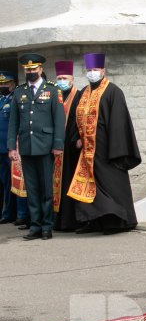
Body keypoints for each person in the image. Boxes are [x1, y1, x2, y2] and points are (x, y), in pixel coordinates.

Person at [69, 53, 142, 235]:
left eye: (95, 69)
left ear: (103, 70)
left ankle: (117, 222)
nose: (92, 73)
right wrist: (76, 138)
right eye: (89, 70)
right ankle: (93, 221)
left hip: (107, 148)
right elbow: (74, 120)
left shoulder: (113, 91)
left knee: (111, 186)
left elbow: (119, 122)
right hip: (86, 151)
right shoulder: (83, 93)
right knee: (88, 186)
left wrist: (116, 149)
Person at [7, 53, 65, 241]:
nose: (30, 72)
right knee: (31, 189)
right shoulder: (19, 92)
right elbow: (13, 122)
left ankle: (47, 226)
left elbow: (58, 119)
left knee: (46, 190)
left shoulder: (53, 90)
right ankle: (35, 226)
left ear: (40, 70)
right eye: (27, 69)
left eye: (33, 69)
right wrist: (11, 147)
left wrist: (58, 144)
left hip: (46, 147)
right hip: (26, 147)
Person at [54, 60, 83, 232]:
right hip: (56, 149)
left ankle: (71, 221)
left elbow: (80, 121)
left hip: (71, 149)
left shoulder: (78, 96)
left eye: (64, 77)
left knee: (69, 184)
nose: (61, 81)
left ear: (72, 78)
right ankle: (58, 221)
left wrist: (77, 139)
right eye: (59, 78)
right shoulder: (54, 96)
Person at [0, 71, 18, 225]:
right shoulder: (1, 100)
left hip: (9, 148)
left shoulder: (15, 99)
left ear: (13, 83)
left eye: (6, 83)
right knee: (4, 182)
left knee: (12, 183)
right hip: (0, 149)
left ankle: (12, 213)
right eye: (1, 84)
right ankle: (6, 212)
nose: (3, 86)